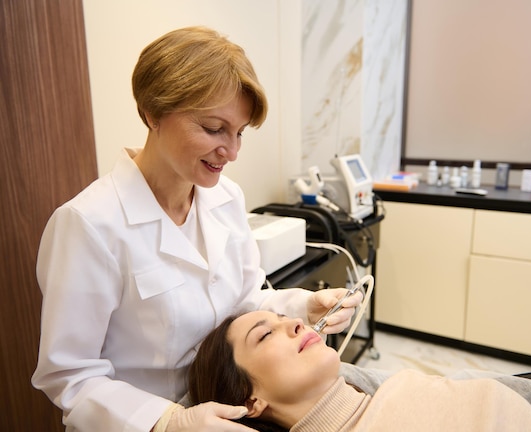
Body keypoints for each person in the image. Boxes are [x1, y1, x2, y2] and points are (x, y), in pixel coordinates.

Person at [31, 26, 363, 432]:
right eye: (213, 128)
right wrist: (169, 421)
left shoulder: (227, 198)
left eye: (239, 132)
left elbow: (242, 303)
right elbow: (69, 375)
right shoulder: (89, 224)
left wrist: (301, 307)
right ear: (152, 113)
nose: (233, 151)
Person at [187, 310, 531, 432]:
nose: (295, 322)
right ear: (250, 401)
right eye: (265, 335)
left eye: (284, 317)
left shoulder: (391, 389)